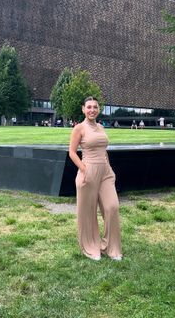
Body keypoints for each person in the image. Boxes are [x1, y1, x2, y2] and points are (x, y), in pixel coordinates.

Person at [69, 96, 122, 261]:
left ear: (99, 109)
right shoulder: (79, 128)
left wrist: (109, 168)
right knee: (88, 212)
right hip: (88, 171)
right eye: (89, 107)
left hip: (105, 172)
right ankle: (91, 247)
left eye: (95, 107)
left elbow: (103, 149)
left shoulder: (100, 126)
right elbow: (72, 152)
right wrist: (84, 169)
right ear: (83, 109)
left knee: (112, 207)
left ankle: (110, 247)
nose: (92, 110)